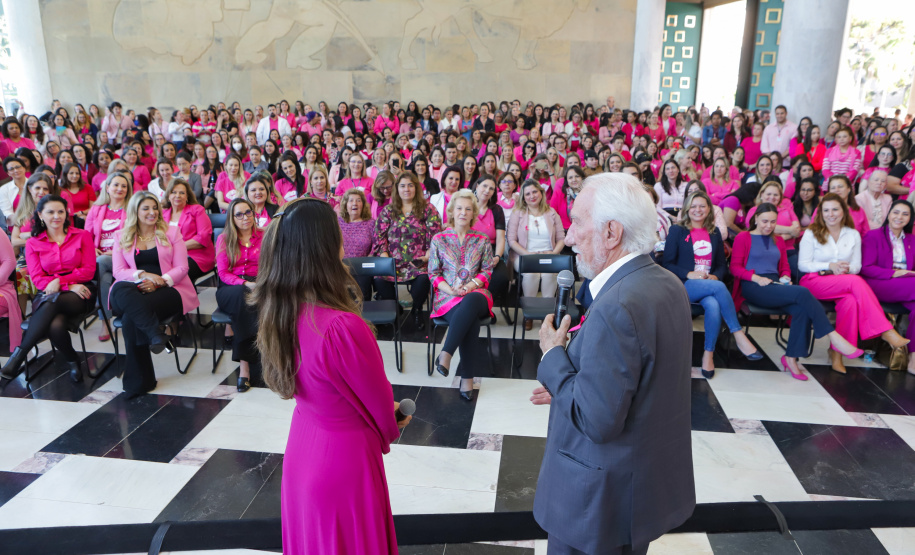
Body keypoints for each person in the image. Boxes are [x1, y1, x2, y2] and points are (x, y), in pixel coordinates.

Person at [530, 173, 695, 554]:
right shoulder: (667, 283)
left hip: (597, 504)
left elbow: (597, 421)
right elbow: (642, 382)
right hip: (640, 490)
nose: (570, 237)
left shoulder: (616, 306)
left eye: (576, 223)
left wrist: (554, 357)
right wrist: (576, 385)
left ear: (611, 232)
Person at [251, 197, 408, 555]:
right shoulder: (341, 327)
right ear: (325, 247)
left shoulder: (281, 308)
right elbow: (381, 409)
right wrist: (395, 417)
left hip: (303, 448)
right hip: (342, 462)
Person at [730, 203, 861, 380]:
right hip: (753, 285)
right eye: (764, 221)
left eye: (773, 222)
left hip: (775, 284)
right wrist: (756, 278)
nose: (769, 226)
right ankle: (833, 336)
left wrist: (785, 277)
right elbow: (735, 268)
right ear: (756, 219)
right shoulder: (743, 237)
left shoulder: (778, 240)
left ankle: (790, 358)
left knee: (801, 309)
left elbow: (784, 267)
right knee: (802, 292)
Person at [798, 193, 910, 373]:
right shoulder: (811, 233)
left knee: (850, 302)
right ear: (821, 213)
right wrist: (829, 266)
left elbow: (857, 267)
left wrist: (845, 268)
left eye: (835, 209)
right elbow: (803, 265)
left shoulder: (853, 234)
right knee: (855, 282)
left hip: (843, 281)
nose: (831, 214)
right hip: (814, 280)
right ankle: (885, 330)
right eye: (826, 210)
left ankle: (836, 354)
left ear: (843, 211)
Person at [662, 190, 764, 378]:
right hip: (684, 284)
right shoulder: (677, 230)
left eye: (702, 206)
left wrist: (716, 276)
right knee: (719, 288)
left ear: (709, 209)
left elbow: (721, 266)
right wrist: (689, 274)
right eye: (693, 206)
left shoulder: (714, 232)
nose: (698, 210)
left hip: (710, 286)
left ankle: (708, 355)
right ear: (687, 209)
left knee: (714, 304)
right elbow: (667, 264)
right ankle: (738, 334)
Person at [110, 191, 200, 397]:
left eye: (155, 208)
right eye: (146, 208)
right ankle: (155, 334)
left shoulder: (172, 233)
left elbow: (182, 268)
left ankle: (138, 383)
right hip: (133, 289)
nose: (152, 212)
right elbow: (118, 271)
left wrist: (159, 282)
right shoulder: (121, 236)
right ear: (135, 211)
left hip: (169, 289)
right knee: (120, 288)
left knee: (131, 319)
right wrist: (142, 276)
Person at [1, 195, 96, 383]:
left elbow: (88, 271)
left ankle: (19, 355)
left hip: (81, 291)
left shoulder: (82, 235)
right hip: (49, 292)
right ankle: (73, 360)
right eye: (50, 212)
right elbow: (38, 280)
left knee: (53, 303)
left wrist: (61, 281)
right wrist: (67, 284)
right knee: (55, 323)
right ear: (40, 215)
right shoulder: (33, 243)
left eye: (61, 211)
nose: (56, 216)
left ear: (67, 213)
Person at [428, 189, 494, 399]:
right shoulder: (439, 239)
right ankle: (467, 378)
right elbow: (433, 273)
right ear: (451, 211)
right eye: (459, 208)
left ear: (473, 213)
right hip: (447, 296)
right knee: (469, 319)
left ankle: (446, 353)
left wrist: (470, 286)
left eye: (468, 209)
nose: (463, 212)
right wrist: (451, 290)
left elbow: (487, 270)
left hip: (477, 292)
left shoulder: (482, 239)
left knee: (471, 301)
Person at [373, 171, 442, 323]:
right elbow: (379, 236)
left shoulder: (428, 209)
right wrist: (385, 258)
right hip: (392, 262)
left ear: (416, 188)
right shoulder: (388, 210)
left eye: (410, 185)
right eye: (403, 186)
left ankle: (417, 309)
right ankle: (396, 308)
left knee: (424, 279)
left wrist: (426, 257)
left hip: (419, 262)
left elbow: (435, 237)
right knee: (379, 280)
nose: (407, 189)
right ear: (397, 189)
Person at [860, 199, 915, 373]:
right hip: (880, 283)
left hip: (907, 286)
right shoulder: (873, 236)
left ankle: (913, 358)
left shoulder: (912, 239)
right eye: (896, 212)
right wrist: (894, 273)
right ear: (889, 214)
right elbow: (866, 267)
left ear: (910, 219)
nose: (899, 217)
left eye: (905, 214)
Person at [216, 198, 263, 392]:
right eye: (239, 214)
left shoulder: (264, 235)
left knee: (252, 305)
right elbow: (223, 273)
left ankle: (248, 366)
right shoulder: (224, 239)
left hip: (258, 282)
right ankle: (245, 366)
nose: (245, 217)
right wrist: (244, 283)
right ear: (232, 218)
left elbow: (272, 265)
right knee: (242, 296)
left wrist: (259, 283)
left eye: (248, 212)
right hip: (231, 286)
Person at [507, 180, 566, 326]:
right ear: (523, 197)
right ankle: (529, 313)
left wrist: (553, 253)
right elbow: (511, 240)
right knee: (531, 273)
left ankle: (547, 315)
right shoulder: (517, 213)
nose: (532, 196)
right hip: (524, 255)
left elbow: (561, 238)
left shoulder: (552, 213)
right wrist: (528, 255)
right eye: (527, 194)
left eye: (534, 192)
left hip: (549, 255)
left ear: (541, 193)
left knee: (549, 274)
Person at [86, 171, 132, 341]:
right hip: (100, 258)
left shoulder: (132, 209)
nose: (120, 188)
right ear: (107, 187)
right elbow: (86, 236)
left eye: (124, 186)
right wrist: (92, 248)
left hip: (124, 258)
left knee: (101, 263)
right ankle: (106, 322)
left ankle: (94, 299)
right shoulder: (96, 209)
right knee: (104, 278)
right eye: (116, 185)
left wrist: (117, 251)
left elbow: (135, 236)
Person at [160, 178, 216, 282]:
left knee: (179, 275)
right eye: (174, 192)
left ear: (187, 196)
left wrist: (176, 247)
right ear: (168, 195)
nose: (177, 195)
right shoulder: (162, 214)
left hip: (196, 256)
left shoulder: (197, 210)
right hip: (168, 256)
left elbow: (203, 238)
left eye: (182, 193)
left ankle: (187, 293)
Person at [470, 174, 509, 309]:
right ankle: (473, 305)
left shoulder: (497, 210)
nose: (487, 191)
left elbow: (500, 238)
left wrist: (497, 256)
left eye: (491, 188)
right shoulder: (467, 206)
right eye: (484, 186)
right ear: (477, 186)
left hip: (490, 251)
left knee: (501, 277)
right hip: (469, 251)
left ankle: (485, 306)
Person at [339, 188, 376, 300]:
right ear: (345, 204)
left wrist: (369, 259)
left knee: (363, 290)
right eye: (351, 200)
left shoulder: (370, 223)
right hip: (342, 266)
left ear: (363, 205)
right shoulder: (338, 222)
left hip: (363, 267)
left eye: (358, 200)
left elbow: (376, 245)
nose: (354, 203)